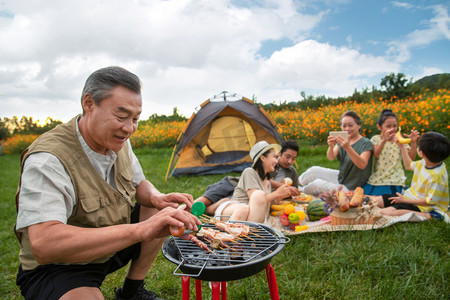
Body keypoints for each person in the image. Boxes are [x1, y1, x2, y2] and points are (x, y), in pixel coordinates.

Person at [14, 66, 201, 300]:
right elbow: (45, 244)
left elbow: (138, 183)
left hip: (109, 246)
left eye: (135, 119)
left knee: (162, 210)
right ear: (89, 103)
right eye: (122, 116)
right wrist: (141, 229)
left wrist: (156, 197)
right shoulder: (49, 160)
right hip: (59, 266)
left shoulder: (118, 139)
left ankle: (132, 293)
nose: (129, 128)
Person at [195, 140, 301, 215]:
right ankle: (188, 209)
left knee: (226, 202)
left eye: (293, 159)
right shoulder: (262, 168)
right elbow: (257, 196)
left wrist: (283, 194)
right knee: (207, 198)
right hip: (236, 182)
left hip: (249, 195)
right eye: (287, 157)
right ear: (279, 154)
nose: (290, 161)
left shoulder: (290, 172)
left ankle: (210, 208)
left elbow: (268, 196)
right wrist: (279, 190)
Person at [375, 132, 449, 221]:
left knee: (386, 213)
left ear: (421, 153)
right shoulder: (426, 162)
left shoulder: (436, 177)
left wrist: (405, 201)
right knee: (376, 200)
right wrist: (402, 147)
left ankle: (433, 216)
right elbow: (408, 166)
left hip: (426, 207)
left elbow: (430, 202)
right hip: (410, 197)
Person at [213, 140, 292, 223]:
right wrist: (276, 193)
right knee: (246, 207)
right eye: (274, 157)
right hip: (237, 212)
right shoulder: (249, 172)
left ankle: (247, 231)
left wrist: (280, 196)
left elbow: (266, 204)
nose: (276, 161)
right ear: (263, 158)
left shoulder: (267, 182)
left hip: (253, 218)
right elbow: (256, 199)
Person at [298, 110, 373, 195]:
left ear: (359, 125)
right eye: (344, 126)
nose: (347, 128)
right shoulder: (343, 140)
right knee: (313, 171)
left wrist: (348, 148)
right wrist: (331, 146)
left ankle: (300, 191)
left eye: (350, 125)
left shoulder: (366, 143)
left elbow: (362, 164)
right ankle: (293, 183)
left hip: (352, 187)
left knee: (317, 184)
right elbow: (331, 157)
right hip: (342, 177)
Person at [363, 109, 419, 195]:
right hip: (378, 178)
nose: (392, 129)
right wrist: (384, 140)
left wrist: (413, 142)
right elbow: (376, 154)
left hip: (395, 180)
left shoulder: (399, 140)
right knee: (367, 198)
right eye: (388, 126)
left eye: (395, 126)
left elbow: (410, 158)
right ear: (379, 127)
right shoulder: (376, 139)